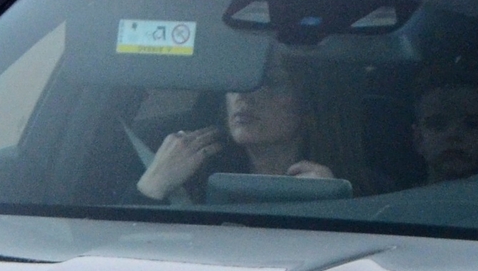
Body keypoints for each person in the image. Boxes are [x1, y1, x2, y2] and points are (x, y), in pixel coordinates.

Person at [136, 53, 340, 203]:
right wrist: (154, 184)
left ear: (308, 99)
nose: (244, 93)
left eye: (272, 82)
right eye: (239, 78)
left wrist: (333, 205)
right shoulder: (190, 179)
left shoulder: (352, 194)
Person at [408, 71, 478, 185]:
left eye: (471, 124)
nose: (453, 135)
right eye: (437, 124)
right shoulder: (394, 201)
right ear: (418, 139)